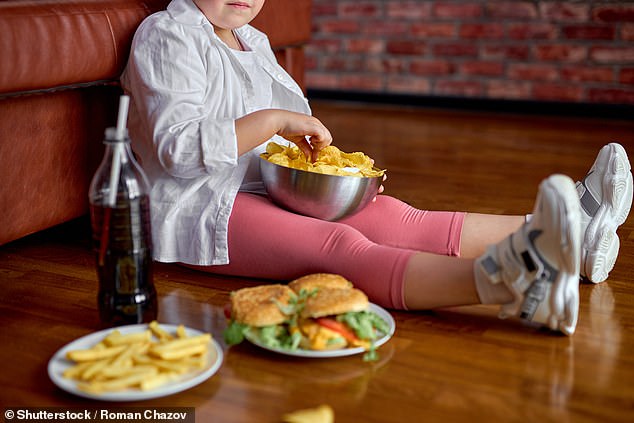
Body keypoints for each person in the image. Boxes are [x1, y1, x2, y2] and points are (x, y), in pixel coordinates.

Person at [121, 0, 633, 335]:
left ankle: (573, 236)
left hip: (256, 186)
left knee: (393, 216)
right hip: (202, 205)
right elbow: (180, 148)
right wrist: (276, 118)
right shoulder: (168, 35)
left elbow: (281, 134)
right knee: (339, 249)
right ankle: (514, 284)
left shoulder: (251, 40)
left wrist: (320, 165)